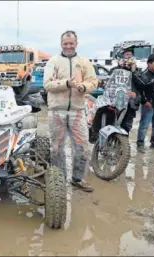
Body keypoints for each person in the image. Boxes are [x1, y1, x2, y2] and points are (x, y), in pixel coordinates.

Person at [43, 30, 98, 192]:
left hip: (78, 110)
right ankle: (58, 180)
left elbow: (93, 82)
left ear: (76, 44)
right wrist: (67, 83)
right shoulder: (53, 61)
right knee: (56, 147)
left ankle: (78, 178)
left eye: (71, 43)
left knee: (82, 146)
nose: (68, 46)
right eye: (65, 43)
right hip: (56, 111)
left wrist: (84, 87)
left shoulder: (84, 62)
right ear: (61, 44)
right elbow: (47, 85)